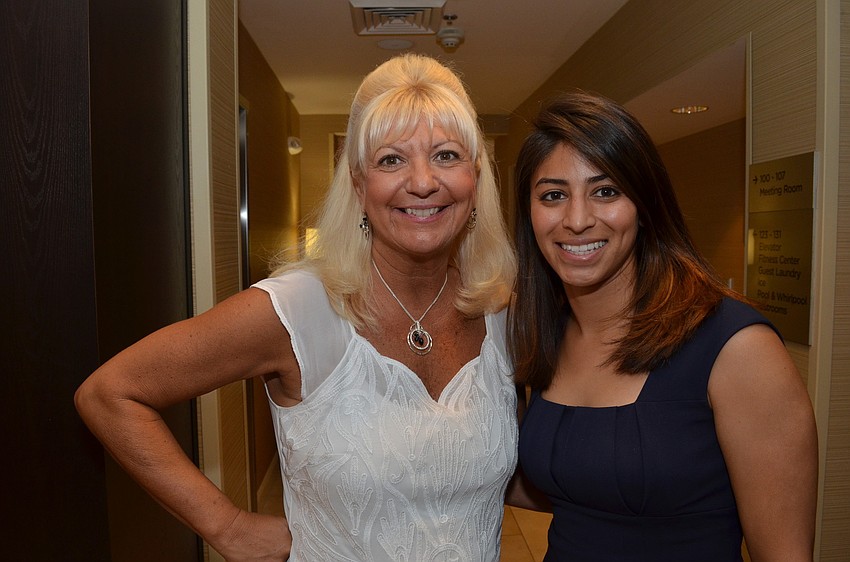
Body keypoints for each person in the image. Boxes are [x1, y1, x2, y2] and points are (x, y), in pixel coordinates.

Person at [75, 53, 517, 561]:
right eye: (391, 159)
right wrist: (230, 528)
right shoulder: (298, 309)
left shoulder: (499, 309)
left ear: (475, 177)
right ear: (358, 184)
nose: (421, 182)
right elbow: (111, 395)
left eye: (446, 155)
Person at [508, 91, 818, 561]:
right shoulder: (542, 334)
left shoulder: (736, 348)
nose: (577, 219)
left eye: (606, 191)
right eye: (553, 195)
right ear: (529, 214)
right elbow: (578, 481)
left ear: (646, 204)